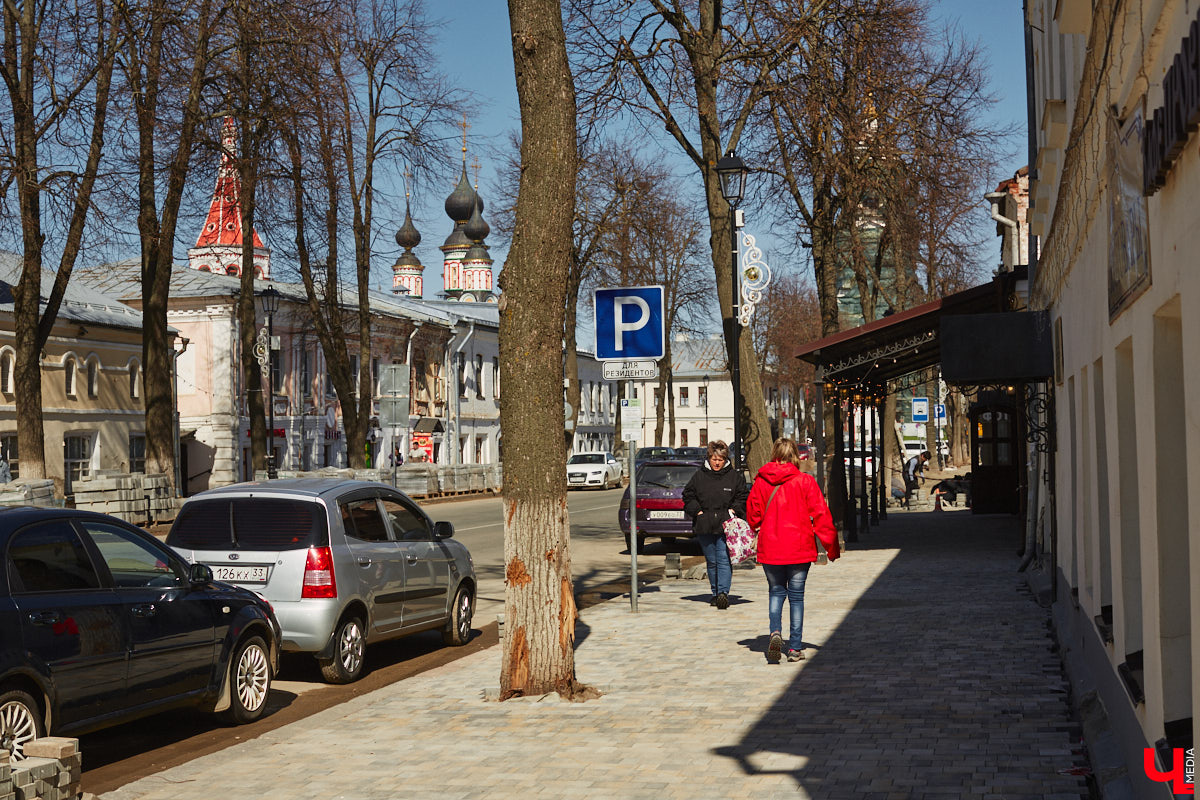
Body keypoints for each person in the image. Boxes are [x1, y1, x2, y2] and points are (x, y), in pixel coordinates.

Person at [746, 437, 840, 663]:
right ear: (795, 456)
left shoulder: (761, 481)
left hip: (771, 547)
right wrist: (831, 546)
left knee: (776, 592)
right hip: (798, 547)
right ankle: (795, 647)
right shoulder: (804, 481)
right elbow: (821, 515)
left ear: (774, 454)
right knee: (796, 598)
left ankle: (775, 632)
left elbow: (752, 515)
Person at [682, 440, 749, 610]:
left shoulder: (734, 476)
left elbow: (742, 497)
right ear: (709, 458)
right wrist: (697, 511)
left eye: (720, 459)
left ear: (725, 459)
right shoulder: (699, 476)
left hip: (726, 525)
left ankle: (723, 594)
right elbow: (688, 496)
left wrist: (733, 511)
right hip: (705, 525)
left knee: (723, 559)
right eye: (714, 459)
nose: (717, 463)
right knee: (711, 561)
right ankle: (715, 592)